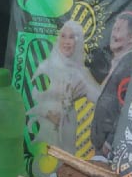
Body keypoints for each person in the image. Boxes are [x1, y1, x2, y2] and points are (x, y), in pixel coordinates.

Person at [25, 19, 105, 156]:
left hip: (68, 125)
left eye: (71, 37)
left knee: (65, 161)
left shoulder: (81, 73)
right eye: (63, 36)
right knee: (43, 159)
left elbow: (99, 97)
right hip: (43, 124)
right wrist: (48, 113)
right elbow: (31, 94)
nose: (67, 42)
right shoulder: (45, 66)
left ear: (78, 42)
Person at [89, 10, 132, 156]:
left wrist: (110, 141)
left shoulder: (129, 66)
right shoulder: (118, 62)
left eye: (118, 30)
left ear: (131, 37)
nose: (113, 34)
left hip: (110, 147)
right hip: (102, 143)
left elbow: (127, 109)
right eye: (113, 29)